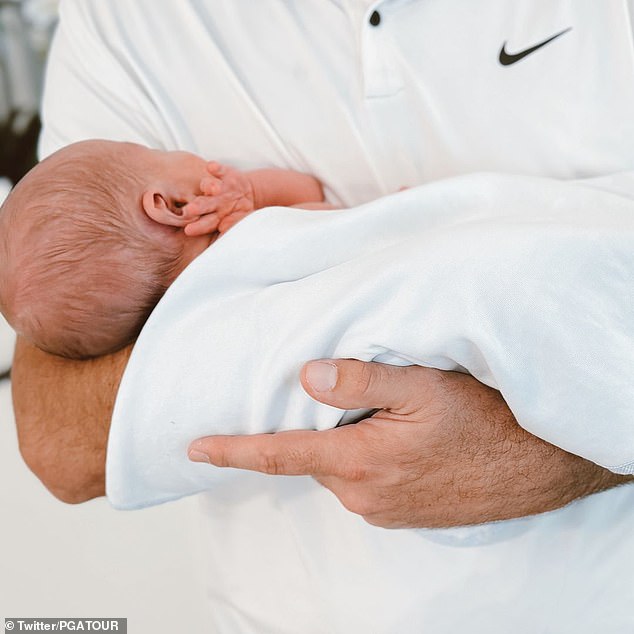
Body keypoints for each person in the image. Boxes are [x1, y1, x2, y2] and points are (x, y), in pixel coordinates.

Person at [11, 1, 634, 632]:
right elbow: (55, 440)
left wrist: (545, 456)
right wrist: (400, 227)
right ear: (166, 205)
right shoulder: (121, 22)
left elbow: (314, 212)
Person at [0, 138, 324, 359]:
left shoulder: (203, 310)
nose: (171, 149)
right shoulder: (249, 249)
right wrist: (256, 205)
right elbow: (326, 209)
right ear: (171, 205)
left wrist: (253, 198)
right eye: (153, 152)